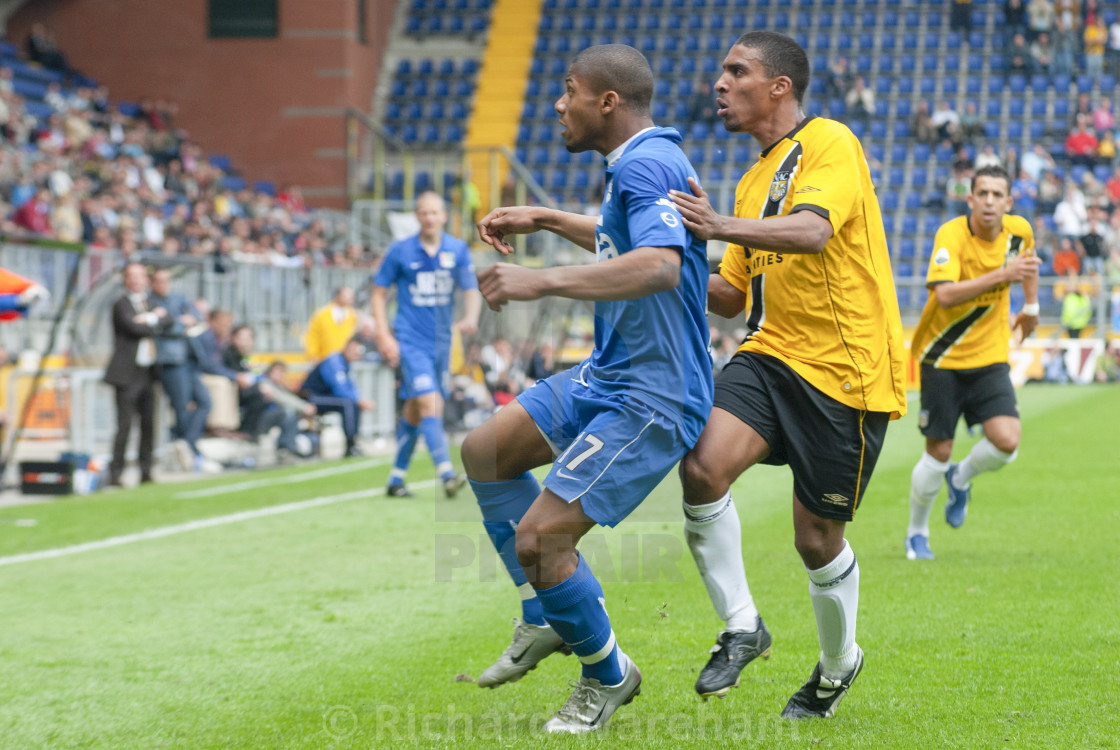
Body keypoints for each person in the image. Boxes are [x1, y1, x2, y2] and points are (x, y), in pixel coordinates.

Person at [461, 44, 712, 734]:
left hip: (654, 396)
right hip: (608, 375)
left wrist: (538, 280)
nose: (557, 104)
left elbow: (659, 266)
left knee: (540, 540)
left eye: (568, 90)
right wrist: (544, 217)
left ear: (607, 101)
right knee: (486, 453)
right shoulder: (632, 165)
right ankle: (545, 615)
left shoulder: (648, 164)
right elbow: (617, 239)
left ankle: (608, 677)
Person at [666, 31, 907, 719]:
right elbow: (733, 296)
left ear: (779, 87)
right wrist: (664, 269)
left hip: (846, 372)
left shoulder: (830, 141)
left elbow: (811, 231)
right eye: (720, 69)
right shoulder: (749, 179)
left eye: (735, 70)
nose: (719, 82)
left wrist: (717, 225)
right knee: (702, 466)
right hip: (770, 355)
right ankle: (742, 625)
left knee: (816, 540)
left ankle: (837, 666)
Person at [905, 165, 1040, 561]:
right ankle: (917, 533)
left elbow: (1027, 266)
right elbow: (945, 295)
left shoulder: (1020, 232)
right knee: (938, 451)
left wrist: (1030, 308)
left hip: (989, 354)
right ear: (970, 199)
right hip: (941, 355)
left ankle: (961, 479)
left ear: (1008, 202)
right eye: (983, 193)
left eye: (998, 195)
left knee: (1007, 442)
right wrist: (1004, 274)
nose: (990, 201)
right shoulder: (951, 235)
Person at [371, 191, 481, 497]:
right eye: (424, 212)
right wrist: (383, 334)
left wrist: (470, 317)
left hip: (442, 343)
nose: (429, 218)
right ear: (417, 216)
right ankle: (447, 473)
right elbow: (378, 292)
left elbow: (471, 289)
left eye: (435, 212)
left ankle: (396, 479)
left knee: (415, 409)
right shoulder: (400, 251)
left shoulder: (457, 249)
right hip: (409, 339)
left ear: (444, 216)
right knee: (432, 403)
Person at [104, 262, 170, 487]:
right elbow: (134, 329)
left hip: (148, 373)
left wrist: (149, 319)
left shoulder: (150, 303)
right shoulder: (120, 304)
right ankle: (116, 473)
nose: (135, 280)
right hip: (126, 373)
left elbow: (168, 320)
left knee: (148, 424)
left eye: (139, 276)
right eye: (131, 276)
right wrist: (154, 319)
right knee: (124, 425)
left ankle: (146, 470)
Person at [147, 267, 217, 473]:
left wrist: (176, 321)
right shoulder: (150, 301)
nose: (163, 285)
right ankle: (188, 448)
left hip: (190, 359)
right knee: (181, 407)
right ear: (153, 283)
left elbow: (197, 317)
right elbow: (162, 326)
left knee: (205, 401)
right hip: (171, 362)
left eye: (166, 280)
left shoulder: (177, 299)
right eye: (159, 281)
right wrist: (179, 323)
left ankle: (187, 442)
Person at [299, 336, 375, 456]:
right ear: (347, 347)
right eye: (354, 350)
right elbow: (339, 388)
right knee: (348, 403)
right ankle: (350, 445)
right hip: (311, 397)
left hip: (325, 397)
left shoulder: (346, 364)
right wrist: (359, 400)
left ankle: (354, 442)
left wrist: (360, 400)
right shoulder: (334, 361)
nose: (356, 354)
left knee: (353, 403)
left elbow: (350, 387)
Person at [305, 286, 357, 362]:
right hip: (323, 359)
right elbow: (312, 336)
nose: (349, 299)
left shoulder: (353, 316)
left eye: (351, 297)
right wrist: (313, 355)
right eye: (345, 296)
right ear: (337, 296)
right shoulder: (322, 314)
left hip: (345, 360)